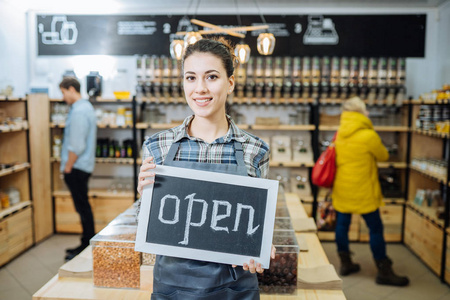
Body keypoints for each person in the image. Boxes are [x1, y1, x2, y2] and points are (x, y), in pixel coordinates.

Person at [137, 38, 275, 299]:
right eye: (190, 78)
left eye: (211, 77)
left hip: (235, 288)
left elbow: (257, 222)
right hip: (173, 286)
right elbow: (149, 225)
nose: (199, 88)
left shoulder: (256, 150)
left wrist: (262, 246)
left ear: (230, 83)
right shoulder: (157, 146)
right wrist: (144, 197)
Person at [332, 97, 409, 286]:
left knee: (342, 226)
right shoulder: (368, 135)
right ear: (362, 113)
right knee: (375, 229)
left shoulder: (339, 133)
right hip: (364, 189)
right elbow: (383, 155)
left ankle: (345, 263)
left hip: (342, 187)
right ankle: (384, 271)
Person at [59, 77, 97, 261]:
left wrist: (67, 167)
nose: (63, 97)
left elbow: (77, 145)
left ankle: (86, 244)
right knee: (83, 206)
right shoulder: (85, 108)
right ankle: (86, 242)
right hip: (83, 166)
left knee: (82, 207)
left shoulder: (80, 111)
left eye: (63, 92)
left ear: (71, 89)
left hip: (76, 167)